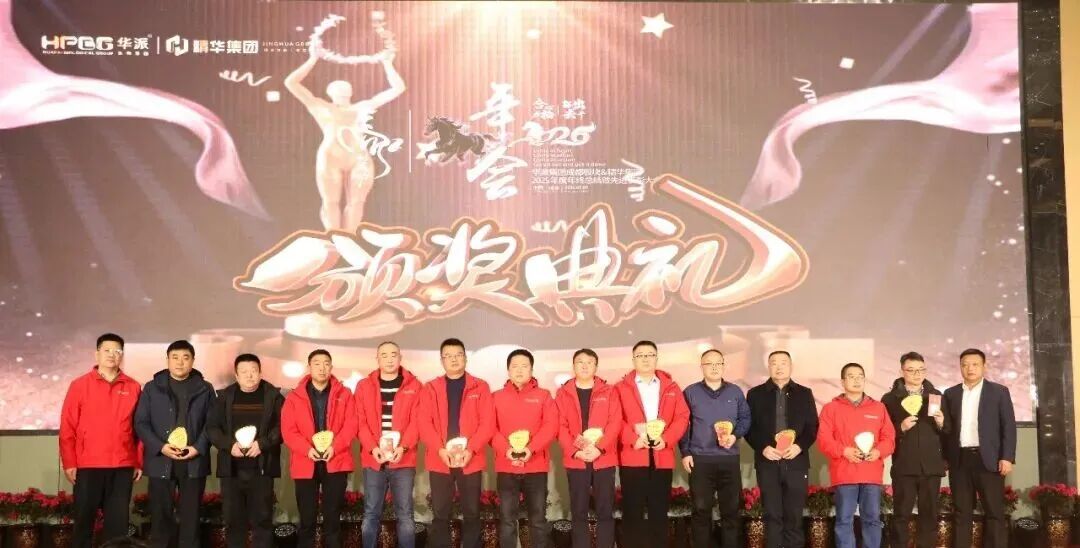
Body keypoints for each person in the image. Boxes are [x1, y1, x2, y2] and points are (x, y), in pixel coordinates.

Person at [284, 40, 405, 232]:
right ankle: (334, 237)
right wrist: (312, 58)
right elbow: (291, 83)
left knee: (356, 202)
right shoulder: (320, 106)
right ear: (329, 91)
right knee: (330, 201)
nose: (342, 88)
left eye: (345, 86)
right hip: (331, 156)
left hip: (359, 158)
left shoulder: (363, 107)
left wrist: (388, 63)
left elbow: (398, 88)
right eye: (337, 87)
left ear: (351, 91)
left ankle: (350, 237)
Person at [59, 333, 142, 548]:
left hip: (122, 465)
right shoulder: (79, 385)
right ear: (96, 354)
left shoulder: (133, 386)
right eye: (107, 350)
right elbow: (68, 426)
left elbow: (140, 428)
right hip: (88, 464)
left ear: (122, 355)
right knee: (83, 523)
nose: (112, 355)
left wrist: (138, 461)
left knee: (118, 526)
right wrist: (69, 462)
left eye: (117, 351)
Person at [134, 340, 215, 548]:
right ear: (167, 360)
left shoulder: (205, 388)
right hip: (161, 460)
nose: (180, 362)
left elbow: (213, 424)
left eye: (185, 358)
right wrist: (161, 447)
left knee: (191, 517)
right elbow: (141, 423)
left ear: (193, 361)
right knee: (160, 518)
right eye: (175, 357)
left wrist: (197, 447)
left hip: (193, 460)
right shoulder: (152, 388)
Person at [417, 338, 495, 548]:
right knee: (440, 513)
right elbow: (424, 423)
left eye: (458, 355)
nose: (454, 359)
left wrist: (471, 449)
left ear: (465, 358)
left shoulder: (480, 386)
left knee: (472, 512)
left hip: (471, 459)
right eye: (448, 356)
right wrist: (440, 449)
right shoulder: (430, 388)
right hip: (440, 459)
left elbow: (487, 423)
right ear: (441, 360)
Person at [613, 341, 690, 548]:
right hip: (633, 455)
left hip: (661, 455)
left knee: (659, 511)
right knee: (632, 511)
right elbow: (615, 419)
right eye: (640, 355)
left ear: (656, 358)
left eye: (650, 354)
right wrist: (633, 439)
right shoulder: (620, 388)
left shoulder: (671, 387)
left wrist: (667, 439)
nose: (645, 359)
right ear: (633, 360)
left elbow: (682, 417)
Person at [281, 349, 357, 548]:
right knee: (307, 520)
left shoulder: (344, 394)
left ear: (331, 367)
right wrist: (307, 449)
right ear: (309, 367)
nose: (322, 368)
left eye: (326, 363)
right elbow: (288, 431)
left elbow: (351, 425)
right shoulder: (294, 397)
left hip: (336, 460)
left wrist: (336, 447)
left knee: (333, 520)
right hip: (305, 462)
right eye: (317, 363)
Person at [206, 354, 284, 548]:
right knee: (233, 521)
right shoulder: (224, 397)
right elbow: (212, 428)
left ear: (260, 372)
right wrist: (229, 445)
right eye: (244, 372)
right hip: (231, 469)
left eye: (253, 371)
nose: (249, 375)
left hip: (262, 467)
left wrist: (263, 444)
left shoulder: (273, 396)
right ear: (236, 375)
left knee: (263, 520)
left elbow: (283, 426)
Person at [942, 348, 1016, 548]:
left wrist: (1007, 457)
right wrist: (945, 458)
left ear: (984, 366)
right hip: (960, 460)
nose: (970, 368)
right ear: (960, 367)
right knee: (961, 512)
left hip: (989, 459)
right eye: (965, 365)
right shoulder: (950, 394)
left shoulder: (999, 392)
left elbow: (1008, 426)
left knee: (994, 512)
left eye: (975, 364)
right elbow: (947, 430)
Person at [817, 363, 896, 548]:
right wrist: (843, 451)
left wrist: (878, 451)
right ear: (842, 381)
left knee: (872, 519)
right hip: (844, 472)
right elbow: (824, 440)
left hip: (871, 473)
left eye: (860, 376)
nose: (856, 380)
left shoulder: (878, 408)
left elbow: (889, 438)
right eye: (851, 376)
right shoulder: (830, 408)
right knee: (844, 520)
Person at [745, 350, 819, 548]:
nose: (779, 367)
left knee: (794, 515)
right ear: (768, 367)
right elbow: (748, 428)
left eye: (783, 363)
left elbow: (812, 427)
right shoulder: (755, 394)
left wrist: (799, 446)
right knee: (772, 514)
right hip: (767, 461)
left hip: (796, 462)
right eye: (774, 363)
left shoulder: (804, 393)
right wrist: (763, 447)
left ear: (791, 366)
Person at [354, 342, 423, 548]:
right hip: (373, 460)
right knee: (371, 514)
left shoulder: (414, 386)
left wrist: (403, 447)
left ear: (400, 358)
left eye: (394, 354)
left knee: (405, 515)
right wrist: (372, 448)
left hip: (403, 460)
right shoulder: (364, 386)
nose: (389, 359)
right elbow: (360, 421)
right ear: (377, 359)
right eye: (384, 355)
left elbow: (417, 422)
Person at [680, 349, 750, 548]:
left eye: (718, 363)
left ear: (724, 366)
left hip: (729, 458)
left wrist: (734, 436)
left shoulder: (735, 392)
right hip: (700, 459)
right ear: (701, 367)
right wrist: (685, 452)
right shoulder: (690, 392)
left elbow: (745, 418)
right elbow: (683, 424)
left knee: (731, 511)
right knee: (701, 511)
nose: (714, 367)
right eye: (709, 363)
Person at [555, 349, 621, 548]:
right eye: (580, 362)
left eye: (589, 362)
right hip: (576, 459)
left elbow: (615, 423)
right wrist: (576, 451)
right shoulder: (563, 393)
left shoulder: (609, 391)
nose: (584, 366)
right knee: (579, 511)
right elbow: (560, 426)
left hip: (603, 458)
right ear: (573, 366)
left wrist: (599, 448)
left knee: (605, 510)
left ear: (596, 366)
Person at [880, 351, 946, 548]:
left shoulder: (936, 396)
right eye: (911, 370)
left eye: (921, 370)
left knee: (929, 515)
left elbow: (948, 430)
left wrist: (941, 423)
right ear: (902, 371)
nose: (917, 374)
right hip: (904, 465)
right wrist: (900, 427)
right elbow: (883, 432)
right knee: (901, 514)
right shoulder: (890, 398)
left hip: (931, 466)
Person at [492, 349, 557, 548]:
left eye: (524, 366)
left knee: (537, 519)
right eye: (515, 366)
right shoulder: (496, 397)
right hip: (506, 466)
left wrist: (532, 449)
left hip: (535, 466)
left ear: (531, 369)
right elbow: (490, 428)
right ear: (508, 370)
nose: (519, 370)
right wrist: (506, 450)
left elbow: (551, 426)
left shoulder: (544, 395)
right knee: (507, 519)